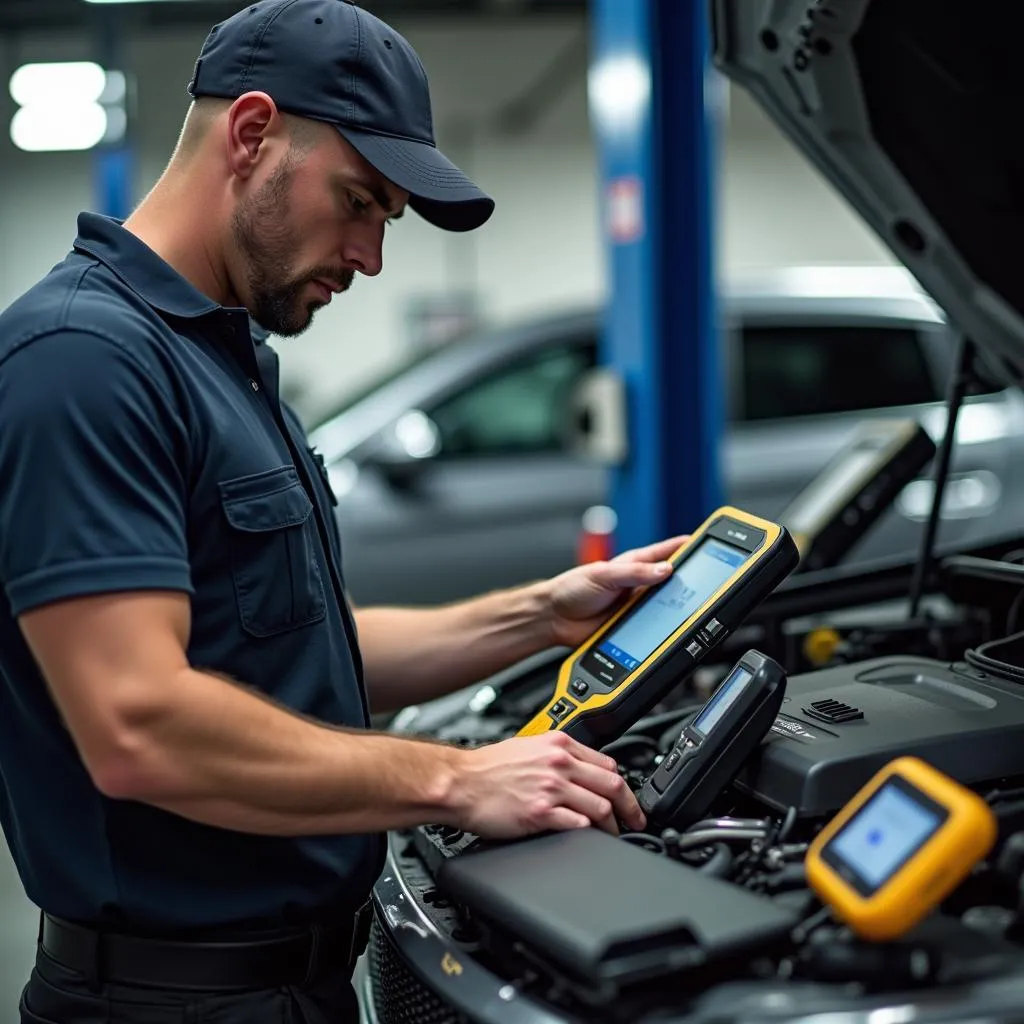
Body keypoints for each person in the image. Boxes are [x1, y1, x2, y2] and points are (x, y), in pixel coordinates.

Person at [0, 1, 684, 1021]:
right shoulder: (83, 361)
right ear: (252, 133)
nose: (368, 255)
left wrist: (544, 613)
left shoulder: (222, 365)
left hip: (297, 984)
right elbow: (139, 723)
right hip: (167, 1002)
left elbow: (298, 660)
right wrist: (457, 779)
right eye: (359, 201)